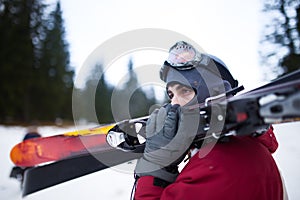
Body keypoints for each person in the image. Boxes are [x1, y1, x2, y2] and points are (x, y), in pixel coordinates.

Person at [132, 41, 285, 199]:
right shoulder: (250, 145)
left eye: (184, 91)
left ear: (215, 94)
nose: (173, 104)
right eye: (171, 95)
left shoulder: (213, 168)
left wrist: (155, 164)